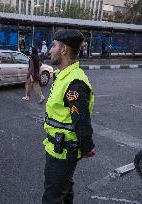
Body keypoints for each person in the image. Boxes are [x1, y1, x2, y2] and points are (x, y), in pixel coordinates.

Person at [42, 29, 95, 204]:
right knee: (64, 192)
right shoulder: (63, 76)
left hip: (63, 152)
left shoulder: (75, 82)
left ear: (63, 50)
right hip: (57, 148)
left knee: (53, 197)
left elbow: (81, 121)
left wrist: (86, 147)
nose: (50, 50)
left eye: (53, 45)